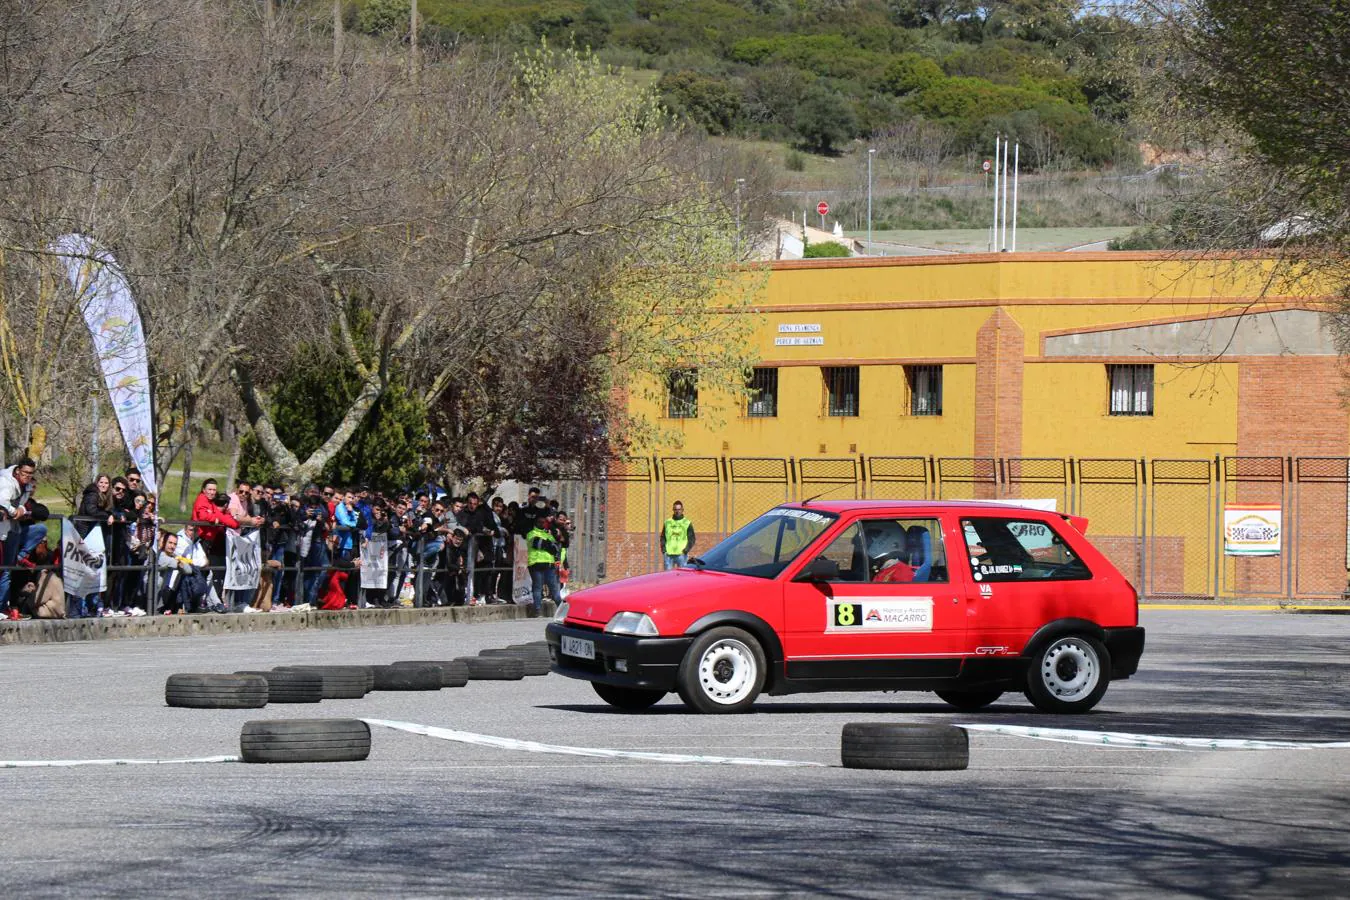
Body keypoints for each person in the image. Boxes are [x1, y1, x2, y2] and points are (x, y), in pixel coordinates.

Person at [0, 457, 46, 617]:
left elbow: (23, 503)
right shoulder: (6, 482)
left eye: (30, 473)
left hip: (13, 529)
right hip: (3, 529)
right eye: (25, 472)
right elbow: (2, 502)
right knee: (4, 570)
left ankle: (4, 607)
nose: (27, 476)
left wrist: (21, 510)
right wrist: (15, 512)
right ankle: (1, 607)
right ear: (18, 471)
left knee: (8, 568)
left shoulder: (26, 486)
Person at [191, 478, 239, 602]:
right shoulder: (202, 499)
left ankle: (207, 602)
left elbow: (221, 516)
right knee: (202, 572)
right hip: (200, 540)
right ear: (203, 490)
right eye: (210, 489)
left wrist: (235, 524)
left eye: (214, 490)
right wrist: (214, 519)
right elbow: (203, 516)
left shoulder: (210, 503)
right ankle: (201, 602)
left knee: (206, 573)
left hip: (207, 542)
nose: (212, 492)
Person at [525, 510, 562, 615]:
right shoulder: (531, 534)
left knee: (554, 589)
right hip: (536, 564)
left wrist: (549, 544)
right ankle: (537, 611)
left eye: (543, 522)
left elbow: (556, 548)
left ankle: (563, 610)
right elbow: (538, 543)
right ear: (536, 522)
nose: (542, 524)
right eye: (540, 522)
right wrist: (549, 545)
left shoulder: (548, 535)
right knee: (537, 587)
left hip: (549, 565)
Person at [660, 500, 695, 570]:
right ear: (673, 510)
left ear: (682, 510)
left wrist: (685, 550)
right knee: (667, 577)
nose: (677, 511)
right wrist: (664, 550)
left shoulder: (687, 523)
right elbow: (663, 537)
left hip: (681, 555)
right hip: (669, 555)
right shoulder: (667, 522)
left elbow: (692, 539)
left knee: (682, 577)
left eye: (679, 509)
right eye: (675, 509)